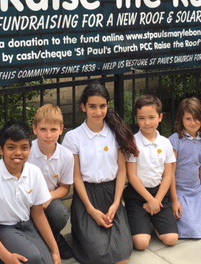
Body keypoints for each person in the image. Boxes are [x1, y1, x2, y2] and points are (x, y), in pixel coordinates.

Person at [62, 81, 136, 264]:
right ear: (83, 107)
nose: (98, 111)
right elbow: (76, 177)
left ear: (108, 106)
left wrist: (117, 203)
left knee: (122, 254)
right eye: (92, 106)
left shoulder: (116, 132)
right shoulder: (73, 137)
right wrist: (90, 209)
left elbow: (121, 172)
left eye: (102, 106)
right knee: (98, 254)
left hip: (112, 194)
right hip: (87, 196)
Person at [0, 121, 60, 264]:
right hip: (1, 228)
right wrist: (6, 257)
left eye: (24, 147)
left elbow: (38, 213)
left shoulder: (34, 172)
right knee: (32, 258)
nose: (18, 153)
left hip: (26, 225)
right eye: (11, 147)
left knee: (47, 261)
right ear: (1, 149)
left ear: (30, 149)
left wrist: (55, 250)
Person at [125, 95, 178, 250]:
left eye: (151, 117)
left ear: (160, 117)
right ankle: (142, 220)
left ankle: (154, 221)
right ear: (136, 118)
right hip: (138, 195)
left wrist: (157, 200)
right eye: (141, 118)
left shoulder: (165, 143)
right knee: (141, 244)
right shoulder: (132, 142)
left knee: (171, 239)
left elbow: (168, 175)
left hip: (159, 194)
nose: (146, 122)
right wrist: (150, 200)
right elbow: (132, 176)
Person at [168, 97, 201, 240]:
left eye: (197, 118)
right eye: (188, 118)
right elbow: (170, 173)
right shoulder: (175, 141)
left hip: (196, 191)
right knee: (189, 227)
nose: (193, 122)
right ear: (181, 120)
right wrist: (175, 199)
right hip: (180, 191)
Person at [28, 104, 75, 259]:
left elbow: (65, 188)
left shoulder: (66, 156)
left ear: (61, 130)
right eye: (43, 129)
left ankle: (54, 237)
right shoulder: (27, 151)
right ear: (35, 129)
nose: (48, 135)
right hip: (25, 198)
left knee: (60, 214)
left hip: (48, 198)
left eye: (53, 130)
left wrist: (49, 196)